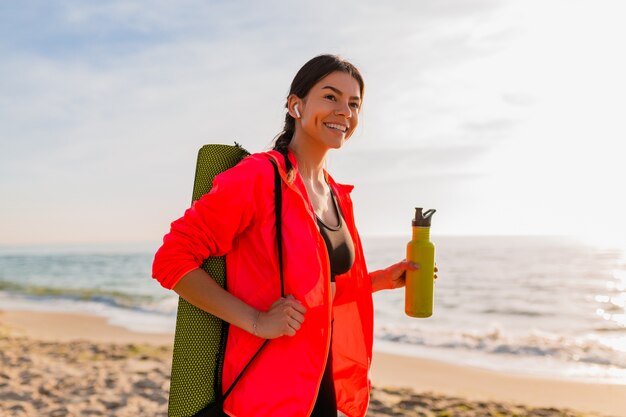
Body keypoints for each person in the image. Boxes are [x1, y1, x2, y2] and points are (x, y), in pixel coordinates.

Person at [152, 54, 437, 417]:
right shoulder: (259, 177)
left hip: (319, 383)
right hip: (266, 389)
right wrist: (256, 320)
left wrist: (381, 279)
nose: (344, 112)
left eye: (354, 104)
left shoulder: (336, 194)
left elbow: (317, 292)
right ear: (296, 105)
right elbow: (171, 260)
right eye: (331, 97)